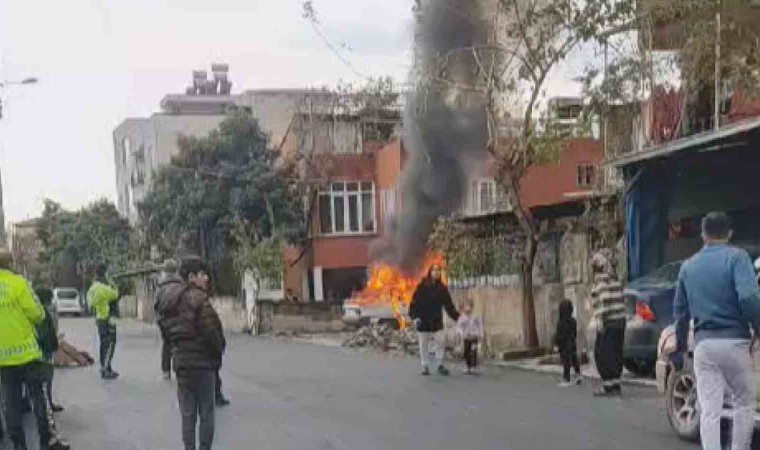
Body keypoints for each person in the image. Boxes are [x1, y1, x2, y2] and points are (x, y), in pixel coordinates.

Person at [671, 212, 760, 450]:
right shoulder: (737, 258)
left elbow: (680, 314)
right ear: (729, 233)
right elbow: (750, 297)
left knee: (710, 409)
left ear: (703, 235)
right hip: (735, 343)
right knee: (743, 403)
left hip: (703, 346)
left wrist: (680, 349)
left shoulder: (688, 267)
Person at [0, 248, 70, 450]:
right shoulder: (19, 283)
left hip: (3, 361)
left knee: (10, 404)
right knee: (40, 400)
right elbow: (38, 314)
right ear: (11, 262)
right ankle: (47, 442)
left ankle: (19, 445)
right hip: (28, 356)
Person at [160, 258, 226, 450]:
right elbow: (212, 332)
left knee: (187, 414)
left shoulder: (169, 299)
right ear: (191, 277)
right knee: (206, 412)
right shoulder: (198, 298)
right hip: (203, 364)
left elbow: (166, 332)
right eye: (202, 274)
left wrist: (176, 350)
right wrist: (218, 352)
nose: (206, 278)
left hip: (181, 363)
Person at [409, 264, 460, 376]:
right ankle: (425, 366)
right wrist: (414, 317)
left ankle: (440, 364)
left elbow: (449, 306)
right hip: (423, 320)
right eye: (434, 270)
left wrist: (458, 318)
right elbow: (414, 303)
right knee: (423, 344)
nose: (436, 273)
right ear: (430, 272)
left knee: (440, 342)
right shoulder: (422, 287)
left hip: (436, 320)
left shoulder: (442, 288)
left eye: (438, 271)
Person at [590, 248, 626, 396]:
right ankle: (615, 385)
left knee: (602, 354)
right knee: (615, 353)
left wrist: (600, 321)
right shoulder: (615, 278)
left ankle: (608, 386)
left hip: (609, 322)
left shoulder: (601, 279)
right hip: (620, 320)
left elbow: (604, 298)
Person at [34, 287, 65, 412]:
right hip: (43, 351)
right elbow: (44, 334)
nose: (52, 301)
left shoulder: (42, 311)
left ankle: (46, 404)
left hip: (42, 350)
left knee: (43, 381)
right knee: (46, 381)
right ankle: (47, 407)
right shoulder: (40, 313)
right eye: (50, 299)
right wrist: (53, 346)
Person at [87, 266, 120, 380]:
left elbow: (90, 303)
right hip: (108, 319)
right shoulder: (104, 288)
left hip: (99, 318)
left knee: (103, 344)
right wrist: (112, 283)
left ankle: (106, 366)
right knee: (110, 344)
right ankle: (105, 369)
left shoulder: (92, 288)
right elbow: (116, 294)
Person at [155, 259, 182, 380]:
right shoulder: (181, 285)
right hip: (178, 319)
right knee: (178, 344)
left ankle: (166, 371)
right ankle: (179, 368)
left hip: (164, 321)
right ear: (176, 270)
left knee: (166, 344)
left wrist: (158, 318)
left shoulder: (160, 286)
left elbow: (156, 304)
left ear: (165, 271)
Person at [554, 299, 582, 387]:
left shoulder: (560, 322)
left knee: (566, 362)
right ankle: (578, 375)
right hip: (572, 343)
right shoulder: (573, 321)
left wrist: (556, 344)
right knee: (574, 360)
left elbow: (559, 334)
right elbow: (575, 333)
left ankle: (566, 379)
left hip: (564, 344)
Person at [456, 299, 483, 375]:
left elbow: (480, 325)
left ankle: (473, 367)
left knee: (473, 352)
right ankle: (468, 367)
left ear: (472, 307)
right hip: (466, 338)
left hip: (474, 337)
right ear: (463, 308)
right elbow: (459, 327)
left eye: (469, 306)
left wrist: (480, 334)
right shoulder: (462, 317)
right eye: (466, 306)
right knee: (467, 352)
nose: (468, 308)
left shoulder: (476, 316)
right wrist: (461, 333)